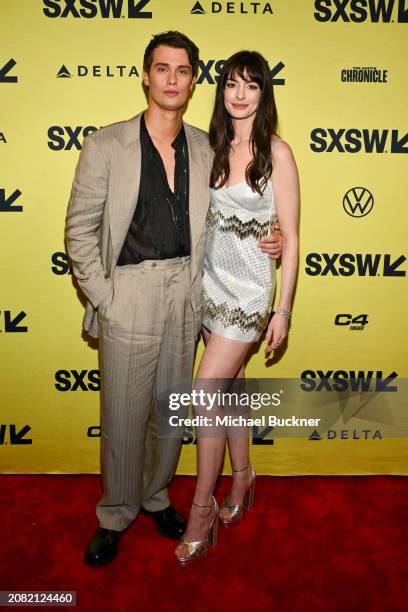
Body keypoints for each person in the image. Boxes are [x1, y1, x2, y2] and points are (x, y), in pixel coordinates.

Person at [65, 33, 283, 567]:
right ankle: (116, 512)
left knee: (170, 410)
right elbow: (78, 232)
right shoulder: (106, 145)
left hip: (192, 290)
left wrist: (271, 236)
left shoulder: (208, 146)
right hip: (129, 292)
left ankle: (158, 497)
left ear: (192, 81)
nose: (171, 79)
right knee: (121, 413)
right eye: (162, 69)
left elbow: (238, 210)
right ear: (145, 75)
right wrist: (105, 297)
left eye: (183, 71)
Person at [174, 50, 300, 567]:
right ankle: (244, 475)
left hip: (248, 294)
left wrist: (283, 310)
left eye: (250, 85)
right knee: (231, 392)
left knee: (205, 394)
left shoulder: (279, 152)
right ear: (222, 92)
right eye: (230, 84)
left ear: (263, 94)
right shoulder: (211, 147)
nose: (239, 94)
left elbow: (290, 238)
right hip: (210, 286)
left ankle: (201, 510)